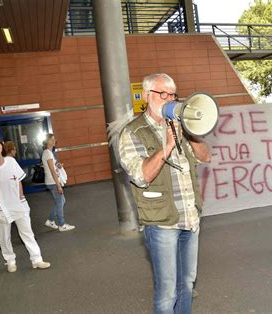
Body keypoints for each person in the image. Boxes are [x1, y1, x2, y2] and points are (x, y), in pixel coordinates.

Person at [118, 73, 211, 313]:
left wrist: (191, 131)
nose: (169, 99)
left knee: (187, 283)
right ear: (147, 96)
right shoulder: (132, 132)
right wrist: (167, 146)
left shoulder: (181, 127)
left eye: (173, 94)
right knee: (167, 291)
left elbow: (205, 156)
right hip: (161, 223)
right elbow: (141, 175)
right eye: (163, 94)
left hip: (190, 218)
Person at [0, 136, 51, 272]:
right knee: (4, 237)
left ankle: (37, 259)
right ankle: (10, 261)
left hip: (18, 205)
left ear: (1, 146)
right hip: (0, 208)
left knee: (27, 233)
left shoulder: (11, 161)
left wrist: (20, 196)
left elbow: (18, 180)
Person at [42, 134, 75, 232]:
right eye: (51, 139)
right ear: (47, 142)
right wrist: (58, 185)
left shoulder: (49, 153)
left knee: (61, 201)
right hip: (53, 182)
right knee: (60, 202)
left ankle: (50, 220)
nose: (54, 141)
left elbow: (53, 166)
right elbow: (52, 171)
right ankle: (62, 224)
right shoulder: (47, 153)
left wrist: (58, 165)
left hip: (52, 181)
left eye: (54, 139)